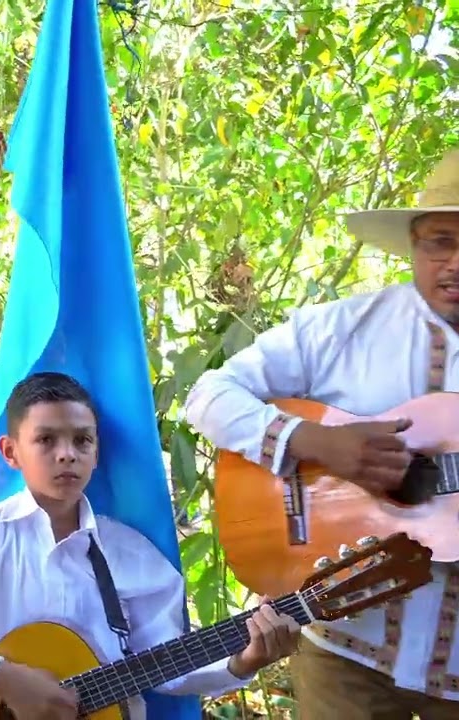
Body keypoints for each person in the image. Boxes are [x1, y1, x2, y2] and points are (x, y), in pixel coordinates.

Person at [184, 149, 459, 718]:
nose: (455, 263)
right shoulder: (343, 328)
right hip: (342, 648)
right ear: (413, 243)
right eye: (441, 241)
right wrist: (314, 443)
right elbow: (209, 396)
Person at [0, 371, 301, 720]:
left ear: (97, 453)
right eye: (46, 440)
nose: (67, 454)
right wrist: (2, 677)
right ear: (10, 452)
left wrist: (244, 660)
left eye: (82, 440)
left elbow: (167, 666)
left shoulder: (133, 556)